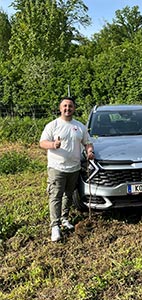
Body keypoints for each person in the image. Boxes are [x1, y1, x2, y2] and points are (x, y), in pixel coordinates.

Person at [40, 97, 94, 241]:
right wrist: (53, 145)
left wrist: (89, 152)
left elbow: (87, 142)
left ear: (74, 108)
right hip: (57, 167)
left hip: (74, 168)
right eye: (65, 106)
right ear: (60, 108)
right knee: (55, 195)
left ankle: (64, 219)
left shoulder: (80, 126)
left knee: (68, 195)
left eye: (70, 106)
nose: (67, 108)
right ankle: (55, 226)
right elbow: (42, 142)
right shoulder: (53, 125)